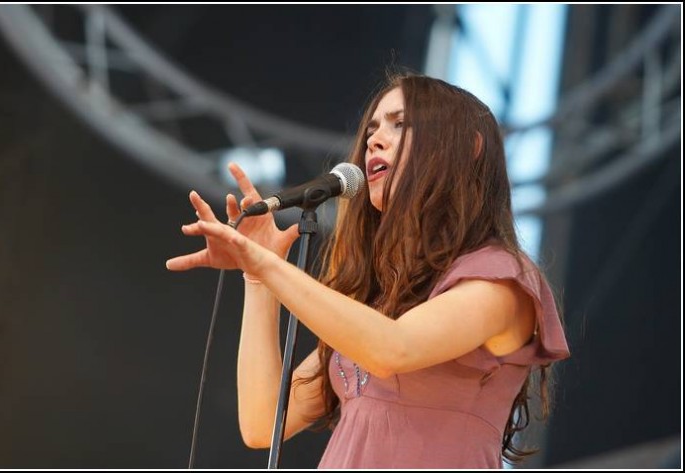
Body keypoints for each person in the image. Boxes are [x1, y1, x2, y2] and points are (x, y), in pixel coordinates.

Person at [166, 73, 570, 469]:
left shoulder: (502, 280)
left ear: (469, 147)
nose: (374, 140)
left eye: (401, 125)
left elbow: (393, 349)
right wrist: (257, 277)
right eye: (373, 128)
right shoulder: (379, 302)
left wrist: (268, 267)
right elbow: (263, 421)